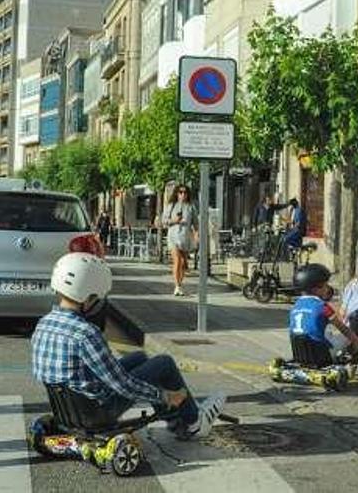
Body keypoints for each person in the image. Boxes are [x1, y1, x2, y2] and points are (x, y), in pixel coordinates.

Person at [31, 252, 226, 439]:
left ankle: (173, 419)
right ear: (88, 297)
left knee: (140, 358)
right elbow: (122, 385)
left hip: (68, 408)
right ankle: (194, 423)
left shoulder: (44, 324)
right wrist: (164, 395)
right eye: (98, 298)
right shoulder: (85, 333)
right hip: (96, 411)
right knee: (163, 363)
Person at [288, 264, 358, 365]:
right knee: (347, 337)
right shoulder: (323, 307)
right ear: (316, 289)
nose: (328, 288)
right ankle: (354, 359)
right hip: (320, 355)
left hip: (299, 353)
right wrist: (355, 340)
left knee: (325, 333)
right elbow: (342, 328)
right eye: (325, 285)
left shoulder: (296, 306)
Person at [163, 184, 198, 296]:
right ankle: (177, 286)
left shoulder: (191, 207)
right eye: (180, 192)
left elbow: (196, 224)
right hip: (173, 237)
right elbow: (164, 221)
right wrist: (174, 220)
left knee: (183, 263)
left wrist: (197, 235)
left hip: (185, 237)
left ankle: (179, 284)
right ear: (176, 194)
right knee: (177, 260)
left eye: (185, 192)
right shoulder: (171, 205)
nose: (183, 194)